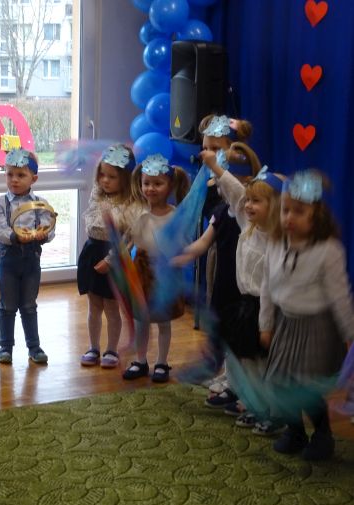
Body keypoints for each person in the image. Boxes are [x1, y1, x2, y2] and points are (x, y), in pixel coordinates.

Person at [260, 170, 354, 460]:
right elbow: (267, 286)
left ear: (317, 216)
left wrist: (350, 334)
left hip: (317, 328)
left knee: (305, 387)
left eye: (299, 212)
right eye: (286, 210)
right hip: (286, 324)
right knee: (279, 383)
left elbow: (340, 296)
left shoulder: (328, 250)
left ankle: (323, 435)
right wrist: (265, 324)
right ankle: (295, 431)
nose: (289, 217)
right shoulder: (275, 243)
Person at [194, 152, 286, 434]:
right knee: (244, 360)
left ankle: (274, 413)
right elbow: (236, 191)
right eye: (248, 200)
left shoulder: (275, 240)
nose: (248, 205)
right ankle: (254, 405)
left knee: (263, 365)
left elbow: (269, 290)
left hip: (265, 308)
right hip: (244, 304)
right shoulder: (247, 226)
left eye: (257, 201)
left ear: (275, 207)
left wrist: (266, 325)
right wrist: (214, 167)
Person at [123, 153, 189, 383]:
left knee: (163, 320)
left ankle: (162, 362)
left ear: (170, 186)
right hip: (141, 271)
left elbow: (183, 243)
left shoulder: (175, 215)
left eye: (158, 183)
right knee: (140, 320)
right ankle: (140, 361)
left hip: (165, 273)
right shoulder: (138, 213)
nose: (151, 188)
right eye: (146, 183)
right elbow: (129, 241)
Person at [77, 144, 144, 368]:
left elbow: (128, 238)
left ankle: (112, 350)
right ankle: (93, 347)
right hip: (92, 251)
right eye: (102, 175)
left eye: (112, 177)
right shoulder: (98, 195)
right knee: (94, 305)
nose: (105, 180)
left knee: (111, 307)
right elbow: (92, 218)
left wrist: (110, 260)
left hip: (114, 256)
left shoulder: (130, 204)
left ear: (126, 178)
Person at [0, 148, 54, 365]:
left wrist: (44, 234)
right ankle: (5, 347)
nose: (14, 180)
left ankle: (34, 347)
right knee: (7, 306)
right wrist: (15, 236)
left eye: (21, 175)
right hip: (8, 261)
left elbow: (49, 226)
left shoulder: (40, 203)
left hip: (31, 262)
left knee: (28, 306)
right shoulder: (1, 203)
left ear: (33, 178)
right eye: (10, 174)